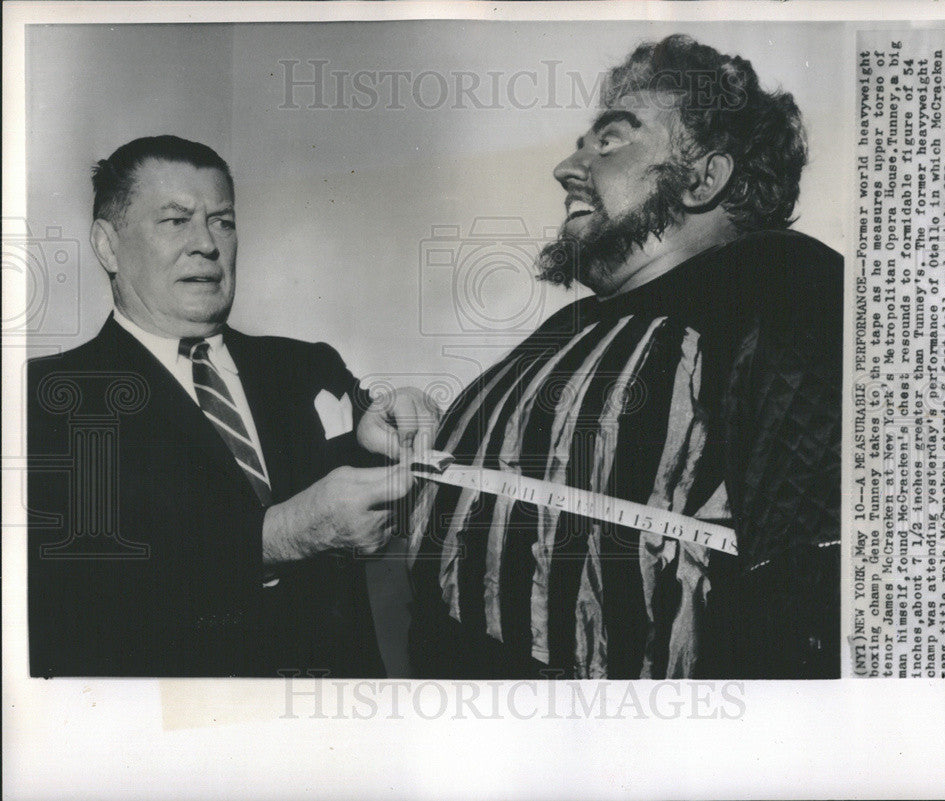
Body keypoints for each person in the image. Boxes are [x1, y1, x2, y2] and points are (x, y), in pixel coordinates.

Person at [407, 34, 843, 680]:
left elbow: (811, 581)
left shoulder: (782, 282)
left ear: (703, 176)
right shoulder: (569, 327)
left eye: (610, 140)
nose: (567, 168)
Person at [28, 135, 437, 677]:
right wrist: (283, 533)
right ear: (107, 245)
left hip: (338, 731)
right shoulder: (44, 399)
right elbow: (83, 588)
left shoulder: (309, 367)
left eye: (222, 220)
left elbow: (392, 491)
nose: (206, 244)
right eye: (175, 221)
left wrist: (395, 423)